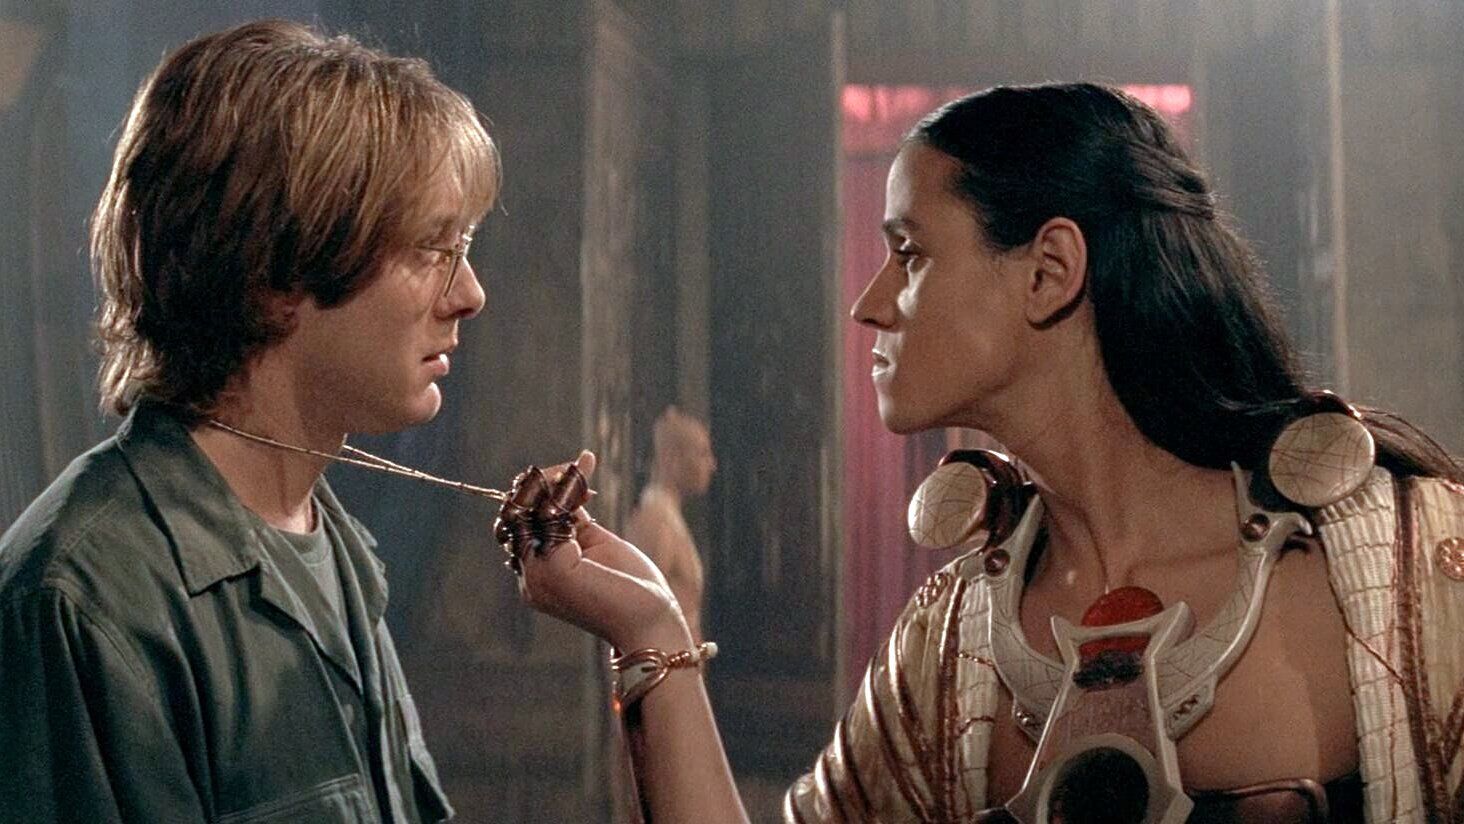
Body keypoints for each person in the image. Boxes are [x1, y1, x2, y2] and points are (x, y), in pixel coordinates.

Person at [513, 82, 1464, 823]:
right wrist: (649, 630)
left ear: (1049, 271)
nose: (869, 304)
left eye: (910, 253)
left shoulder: (1411, 575)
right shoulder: (954, 643)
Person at [0, 20, 498, 822]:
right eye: (429, 249)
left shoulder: (331, 545)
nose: (469, 294)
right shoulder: (82, 600)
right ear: (275, 273)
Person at [624, 406, 717, 642]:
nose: (712, 465)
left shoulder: (669, 515)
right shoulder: (656, 520)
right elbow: (637, 613)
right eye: (702, 454)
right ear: (672, 459)